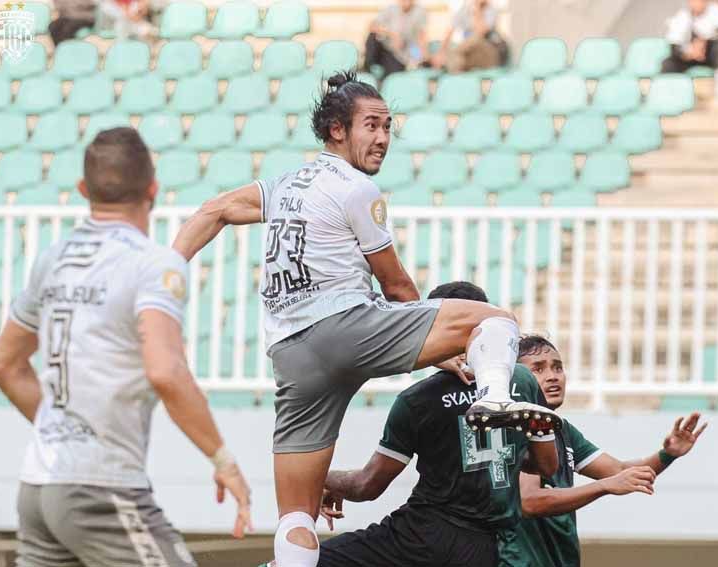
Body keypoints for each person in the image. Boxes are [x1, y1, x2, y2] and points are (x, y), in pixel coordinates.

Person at [171, 72, 558, 567]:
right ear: (337, 129)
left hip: (290, 354)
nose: (381, 138)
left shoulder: (283, 185)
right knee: (497, 323)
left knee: (296, 516)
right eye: (371, 125)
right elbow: (397, 289)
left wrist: (162, 269)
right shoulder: (358, 189)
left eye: (388, 127)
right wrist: (443, 352)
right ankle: (495, 397)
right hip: (347, 328)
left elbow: (215, 209)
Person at [0, 128, 252, 567]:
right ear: (153, 189)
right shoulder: (153, 264)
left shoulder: (52, 259)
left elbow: (4, 366)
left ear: (82, 190)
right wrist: (223, 460)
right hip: (99, 487)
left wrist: (64, 430)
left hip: (37, 488)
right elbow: (165, 371)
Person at [316, 281, 559, 567]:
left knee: (303, 562)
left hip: (424, 535)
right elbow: (546, 466)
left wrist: (319, 478)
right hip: (484, 549)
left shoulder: (418, 399)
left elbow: (368, 486)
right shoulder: (522, 380)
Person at [496, 335, 709, 567]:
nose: (553, 376)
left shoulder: (561, 429)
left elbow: (618, 471)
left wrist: (668, 454)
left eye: (558, 367)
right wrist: (603, 487)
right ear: (517, 378)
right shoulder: (519, 426)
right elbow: (530, 501)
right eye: (538, 369)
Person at [661, 0, 718, 97]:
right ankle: (668, 93)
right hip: (689, 56)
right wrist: (688, 53)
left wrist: (702, 42)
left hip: (709, 55)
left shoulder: (716, 10)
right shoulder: (682, 15)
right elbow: (674, 43)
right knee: (668, 63)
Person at [432, 0, 508, 73]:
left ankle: (448, 62)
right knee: (459, 60)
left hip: (491, 55)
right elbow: (450, 30)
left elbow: (481, 31)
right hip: (472, 56)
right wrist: (441, 52)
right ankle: (447, 65)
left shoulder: (491, 10)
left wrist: (478, 8)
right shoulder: (465, 9)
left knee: (475, 38)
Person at [364, 0, 430, 77]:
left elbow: (421, 37)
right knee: (372, 37)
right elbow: (372, 26)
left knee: (394, 74)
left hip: (400, 55)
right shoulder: (391, 9)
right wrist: (393, 35)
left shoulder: (420, 12)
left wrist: (422, 57)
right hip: (385, 47)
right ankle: (367, 71)